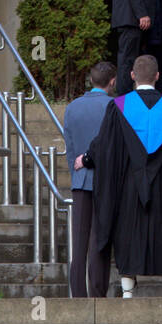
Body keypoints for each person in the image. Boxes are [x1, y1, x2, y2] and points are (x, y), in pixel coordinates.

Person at [76, 55, 162, 299]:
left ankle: (128, 290)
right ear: (158, 76)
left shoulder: (119, 107)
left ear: (132, 76)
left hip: (129, 187)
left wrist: (87, 158)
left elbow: (105, 146)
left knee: (128, 232)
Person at [62, 62, 117, 297]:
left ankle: (77, 292)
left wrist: (76, 174)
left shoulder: (72, 107)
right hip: (106, 182)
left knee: (79, 243)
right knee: (100, 240)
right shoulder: (115, 106)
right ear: (112, 81)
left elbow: (70, 147)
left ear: (90, 80)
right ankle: (97, 292)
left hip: (80, 180)